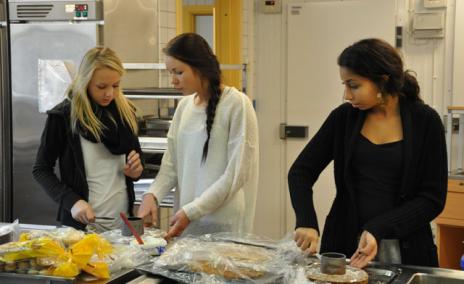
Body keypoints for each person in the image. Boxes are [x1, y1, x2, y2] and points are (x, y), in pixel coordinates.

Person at [288, 38, 447, 268]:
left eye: (353, 85)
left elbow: (432, 199)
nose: (346, 95)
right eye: (344, 85)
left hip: (407, 250)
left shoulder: (425, 121)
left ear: (382, 81)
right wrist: (306, 221)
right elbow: (301, 172)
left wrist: (378, 228)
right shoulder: (343, 119)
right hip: (345, 247)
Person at [137, 33, 259, 239]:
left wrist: (192, 210)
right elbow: (171, 165)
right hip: (185, 222)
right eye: (170, 73)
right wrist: (152, 195)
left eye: (178, 72)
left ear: (200, 67)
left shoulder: (237, 104)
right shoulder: (184, 107)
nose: (173, 80)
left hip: (221, 224)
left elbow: (236, 175)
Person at [33, 47, 143, 231]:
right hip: (81, 227)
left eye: (115, 86)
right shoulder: (63, 117)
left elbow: (137, 162)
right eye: (101, 87)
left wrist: (137, 171)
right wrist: (72, 202)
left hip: (123, 223)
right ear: (85, 82)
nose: (110, 93)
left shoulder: (126, 114)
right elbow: (41, 170)